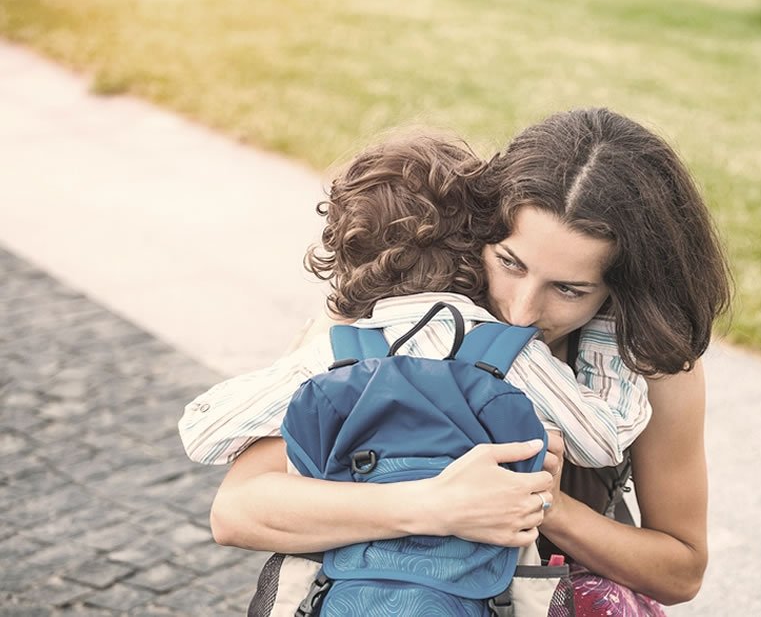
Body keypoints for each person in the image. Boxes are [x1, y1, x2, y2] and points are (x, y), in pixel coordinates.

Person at [180, 108, 731, 611]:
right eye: (510, 263)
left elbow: (679, 572)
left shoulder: (649, 360)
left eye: (568, 290)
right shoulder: (390, 324)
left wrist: (548, 505)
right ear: (481, 235)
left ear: (622, 291)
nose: (520, 313)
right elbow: (239, 509)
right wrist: (432, 505)